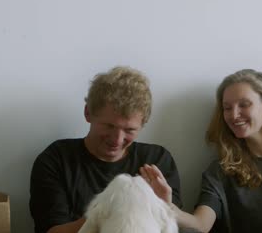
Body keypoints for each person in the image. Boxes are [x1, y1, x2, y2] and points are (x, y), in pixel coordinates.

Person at [142, 69, 262, 233]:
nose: (234, 115)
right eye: (227, 108)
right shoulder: (220, 170)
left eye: (244, 104)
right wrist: (167, 207)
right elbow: (201, 225)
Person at [29, 66, 182, 233]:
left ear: (142, 124)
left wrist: (166, 207)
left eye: (129, 130)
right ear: (88, 113)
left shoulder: (157, 161)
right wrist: (106, 212)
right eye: (109, 126)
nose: (117, 139)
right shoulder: (56, 160)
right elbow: (51, 231)